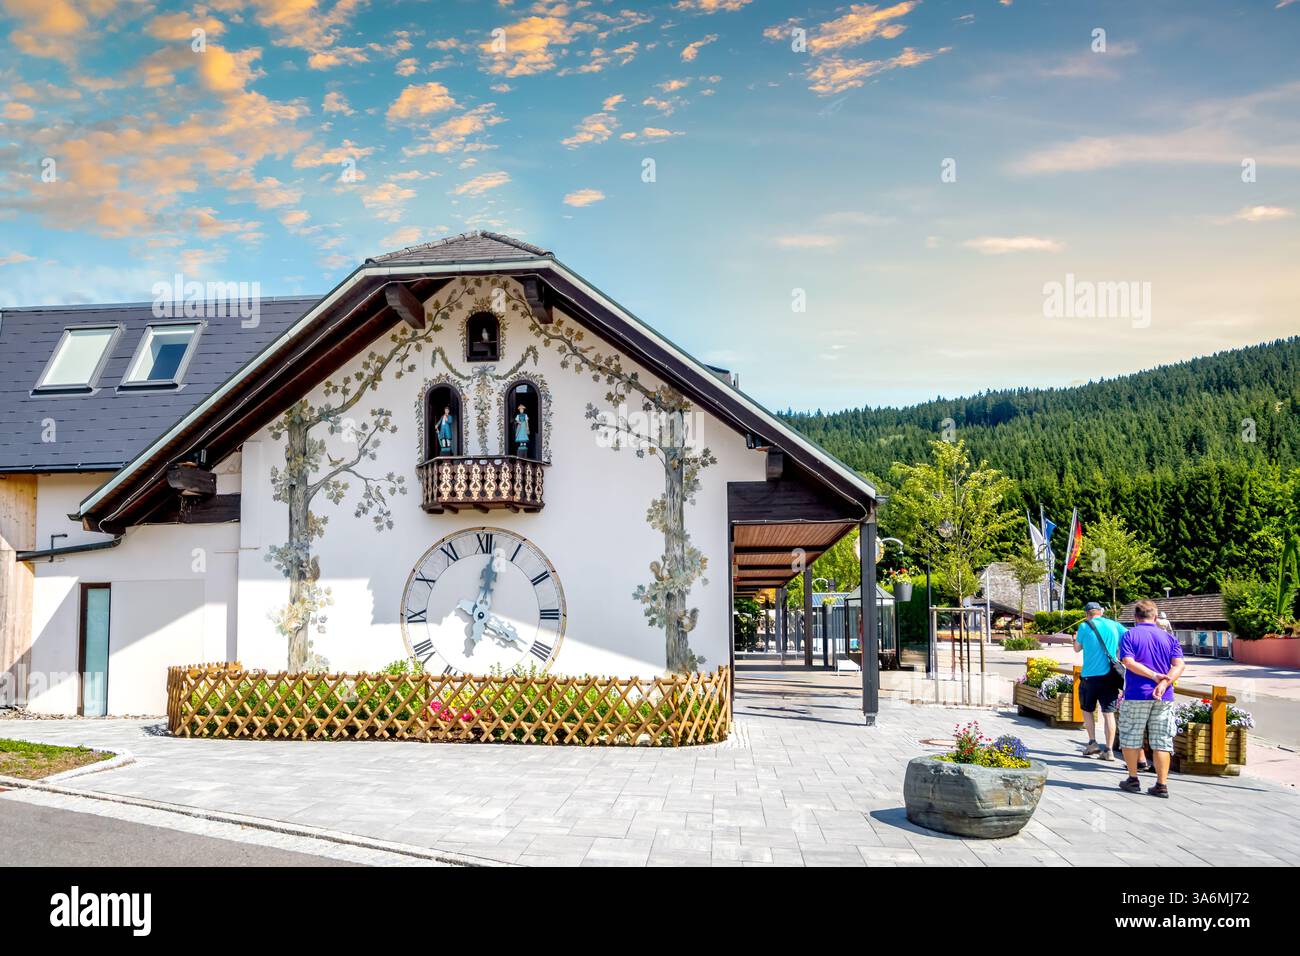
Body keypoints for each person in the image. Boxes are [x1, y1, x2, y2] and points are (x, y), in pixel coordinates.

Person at [1117, 599, 1185, 797]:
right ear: (1155, 617)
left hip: (1137, 693)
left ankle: (1133, 778)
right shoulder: (1169, 638)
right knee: (1162, 739)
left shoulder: (1129, 635)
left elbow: (1128, 662)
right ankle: (1161, 784)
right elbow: (1179, 665)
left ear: (1135, 617)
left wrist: (1154, 676)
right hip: (1164, 696)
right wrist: (1164, 682)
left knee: (1131, 735)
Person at [1073, 601, 1125, 759]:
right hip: (1110, 675)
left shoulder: (1084, 626)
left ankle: (1092, 743)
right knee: (1108, 713)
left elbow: (1077, 648)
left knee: (1087, 710)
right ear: (1101, 612)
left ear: (1086, 613)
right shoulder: (1115, 625)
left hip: (1089, 676)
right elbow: (1128, 638)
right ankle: (1109, 750)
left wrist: (1075, 638)